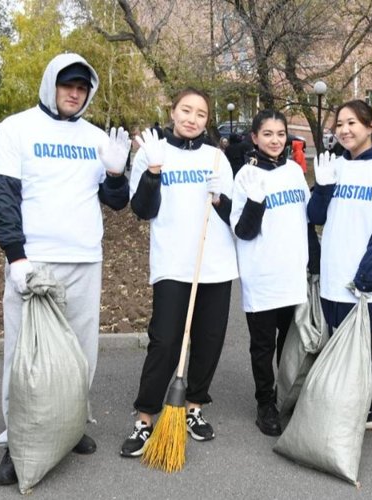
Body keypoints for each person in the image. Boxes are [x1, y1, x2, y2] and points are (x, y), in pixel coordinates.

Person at [0, 53, 131, 486]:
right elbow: (3, 197)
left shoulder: (94, 137)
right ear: (51, 84)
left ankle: (70, 427)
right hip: (36, 263)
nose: (74, 93)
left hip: (85, 258)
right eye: (67, 84)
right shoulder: (18, 129)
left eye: (82, 87)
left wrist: (117, 173)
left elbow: (117, 201)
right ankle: (19, 441)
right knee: (24, 355)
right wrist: (16, 258)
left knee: (81, 353)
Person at [121, 88, 237, 458]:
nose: (192, 118)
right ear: (172, 112)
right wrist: (153, 171)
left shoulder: (217, 158)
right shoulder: (154, 152)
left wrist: (222, 199)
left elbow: (232, 215)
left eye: (201, 113)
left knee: (209, 339)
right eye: (186, 110)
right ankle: (145, 417)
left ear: (207, 119)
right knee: (166, 340)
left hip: (214, 263)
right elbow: (141, 209)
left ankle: (194, 408)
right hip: (172, 262)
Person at [307, 99, 372, 431]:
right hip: (335, 279)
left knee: (363, 354)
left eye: (352, 123)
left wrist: (367, 275)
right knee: (339, 349)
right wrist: (322, 187)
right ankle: (364, 408)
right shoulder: (337, 166)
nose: (345, 130)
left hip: (366, 283)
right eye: (340, 124)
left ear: (371, 125)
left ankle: (359, 411)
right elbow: (316, 217)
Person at [230, 110, 312, 436]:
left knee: (290, 344)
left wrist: (313, 267)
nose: (275, 140)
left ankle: (286, 397)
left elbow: (307, 222)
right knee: (263, 346)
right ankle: (265, 404)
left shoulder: (294, 171)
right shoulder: (246, 177)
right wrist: (255, 201)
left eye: (280, 133)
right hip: (263, 276)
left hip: (293, 274)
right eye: (267, 133)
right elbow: (243, 232)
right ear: (254, 137)